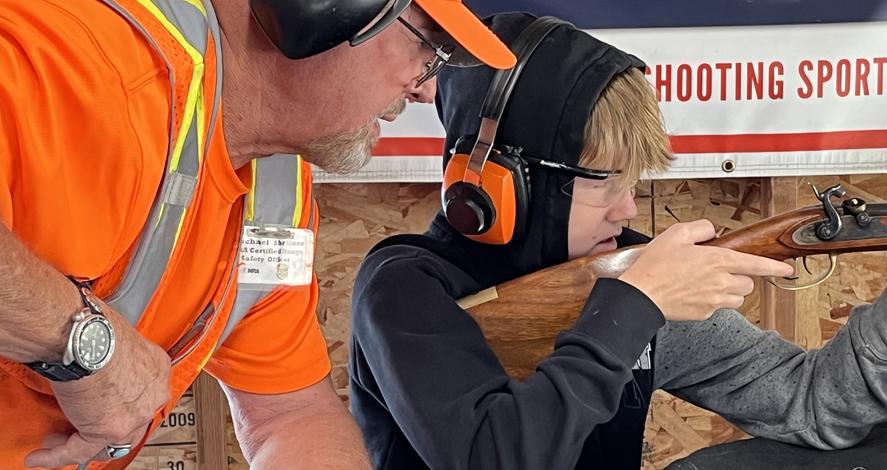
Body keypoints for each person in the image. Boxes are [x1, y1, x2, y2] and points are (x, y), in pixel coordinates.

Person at [347, 13, 887, 470]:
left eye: (635, 180)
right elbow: (493, 456)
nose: (627, 206)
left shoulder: (629, 275)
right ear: (503, 185)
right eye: (604, 180)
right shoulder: (407, 289)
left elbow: (814, 407)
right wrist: (632, 309)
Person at [0, 0, 517, 468]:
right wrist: (82, 341)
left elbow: (287, 417)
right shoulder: (79, 60)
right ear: (318, 8)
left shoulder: (275, 189)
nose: (426, 88)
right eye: (425, 45)